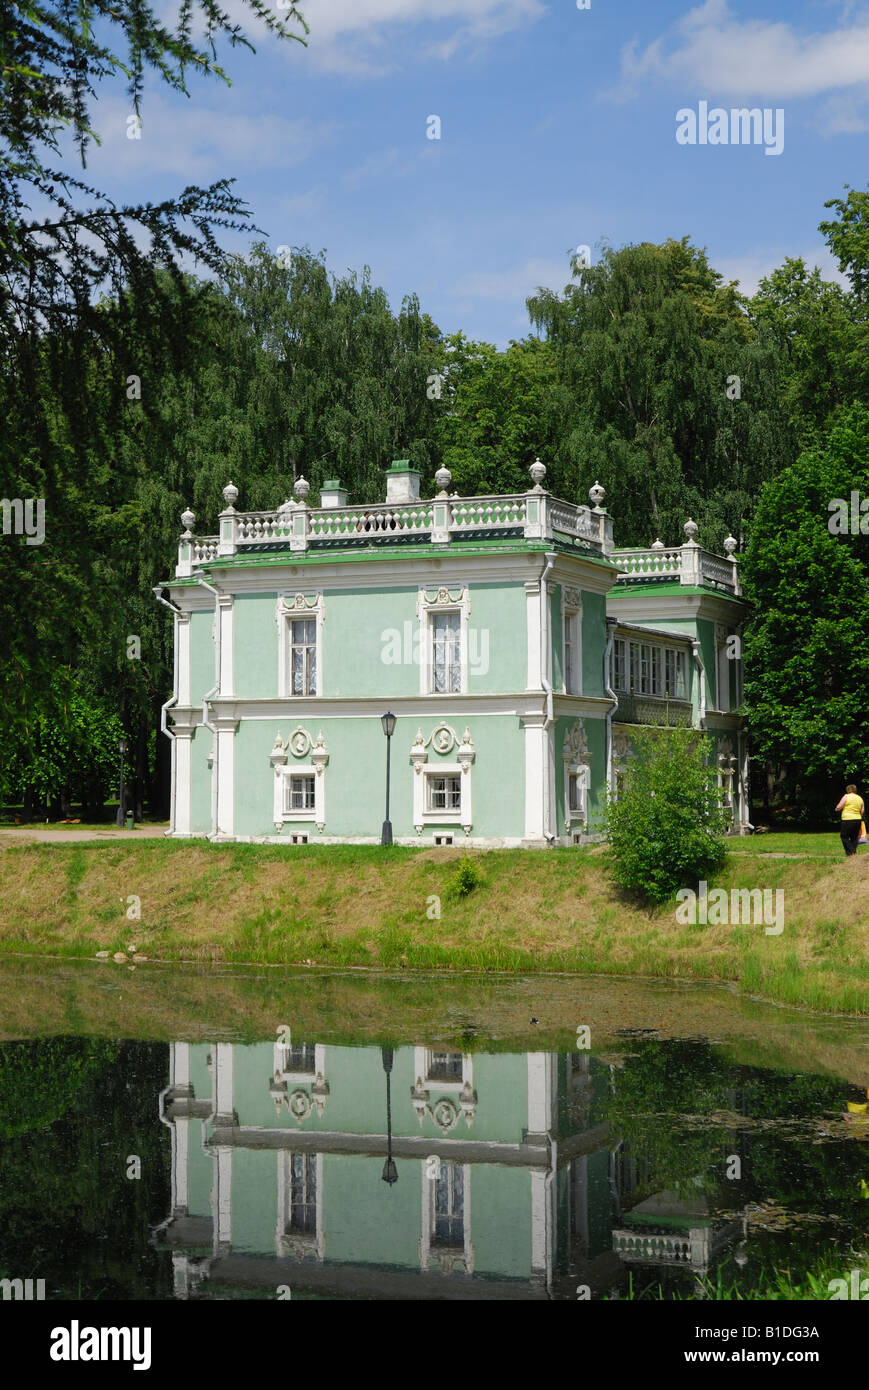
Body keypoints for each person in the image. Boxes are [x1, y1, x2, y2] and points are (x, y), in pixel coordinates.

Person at [835, 783, 865, 858]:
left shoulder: (846, 796)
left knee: (844, 836)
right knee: (854, 837)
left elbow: (839, 807)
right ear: (855, 790)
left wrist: (837, 809)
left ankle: (851, 852)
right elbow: (862, 811)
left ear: (848, 790)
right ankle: (852, 854)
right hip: (858, 819)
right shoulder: (860, 798)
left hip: (848, 819)